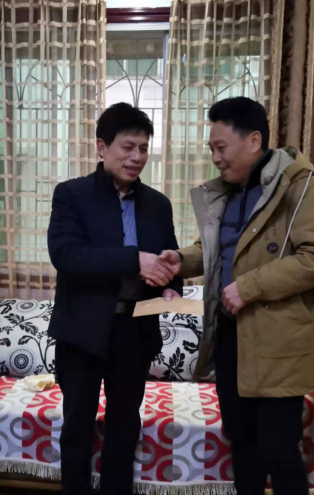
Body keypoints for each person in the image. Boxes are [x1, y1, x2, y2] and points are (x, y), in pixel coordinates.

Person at [158, 97, 314, 495]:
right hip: (231, 336)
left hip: (279, 342)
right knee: (241, 443)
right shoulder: (231, 192)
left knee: (278, 450)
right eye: (211, 149)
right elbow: (219, 250)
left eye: (220, 147)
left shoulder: (302, 188)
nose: (215, 159)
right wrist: (181, 260)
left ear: (254, 140)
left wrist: (250, 286)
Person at [47, 103, 183, 495]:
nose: (137, 157)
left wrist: (171, 285)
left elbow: (169, 259)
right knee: (77, 428)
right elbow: (67, 256)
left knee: (124, 428)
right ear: (102, 147)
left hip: (134, 333)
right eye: (128, 147)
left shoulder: (158, 204)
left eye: (143, 148)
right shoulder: (71, 195)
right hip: (82, 333)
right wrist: (134, 259)